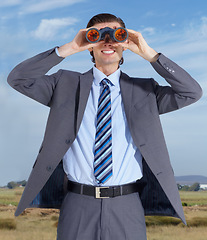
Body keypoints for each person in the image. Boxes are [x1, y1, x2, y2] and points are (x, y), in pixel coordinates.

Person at [7, 13, 202, 240]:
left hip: (127, 204)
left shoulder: (145, 91)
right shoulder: (64, 85)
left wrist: (150, 54)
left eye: (117, 35)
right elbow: (18, 79)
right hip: (77, 204)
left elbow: (192, 92)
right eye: (98, 35)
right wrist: (69, 48)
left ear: (125, 44)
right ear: (89, 45)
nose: (108, 41)